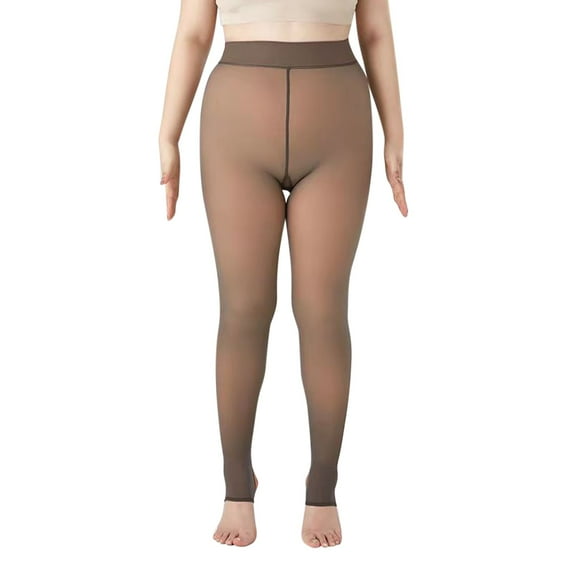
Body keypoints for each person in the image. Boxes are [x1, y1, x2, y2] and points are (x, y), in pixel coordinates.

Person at [158, 0, 407, 548]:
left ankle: (323, 488)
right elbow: (195, 31)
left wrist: (396, 133)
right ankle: (236, 486)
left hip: (337, 122)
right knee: (243, 309)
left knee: (322, 310)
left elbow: (375, 30)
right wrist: (167, 134)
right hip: (237, 124)